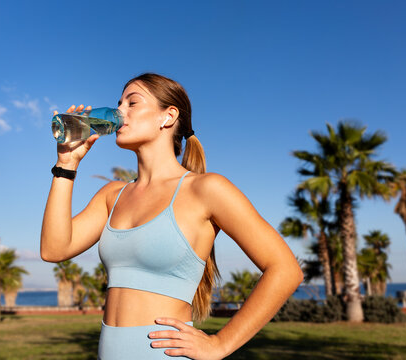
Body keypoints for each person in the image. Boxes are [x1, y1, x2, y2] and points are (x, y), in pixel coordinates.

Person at [41, 73, 303, 359]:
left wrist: (220, 344)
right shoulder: (112, 195)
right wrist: (65, 166)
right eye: (119, 104)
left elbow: (285, 269)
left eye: (132, 103)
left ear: (167, 117)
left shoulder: (206, 189)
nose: (119, 113)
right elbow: (54, 249)